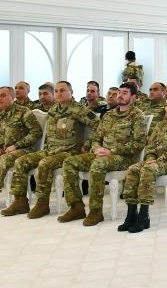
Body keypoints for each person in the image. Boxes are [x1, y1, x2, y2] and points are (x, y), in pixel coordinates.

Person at [1, 81, 98, 219]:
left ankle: (44, 203)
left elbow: (99, 126)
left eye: (63, 90)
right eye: (56, 91)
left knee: (45, 164)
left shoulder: (79, 110)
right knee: (21, 162)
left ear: (71, 92)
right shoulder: (53, 109)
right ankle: (20, 201)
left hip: (69, 151)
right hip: (51, 149)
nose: (59, 93)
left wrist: (87, 145)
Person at [58, 83, 146, 226]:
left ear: (133, 97)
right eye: (119, 92)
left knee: (98, 164)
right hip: (102, 154)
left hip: (123, 158)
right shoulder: (109, 115)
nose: (120, 95)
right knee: (69, 162)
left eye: (125, 93)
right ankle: (76, 207)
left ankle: (96, 211)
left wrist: (112, 151)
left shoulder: (137, 115)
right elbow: (95, 137)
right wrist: (96, 148)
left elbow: (139, 144)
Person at [118, 93, 167, 233]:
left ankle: (144, 215)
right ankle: (131, 214)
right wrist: (150, 158)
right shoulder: (161, 124)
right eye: (166, 105)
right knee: (132, 169)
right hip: (154, 161)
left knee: (148, 170)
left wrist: (157, 160)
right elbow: (151, 146)